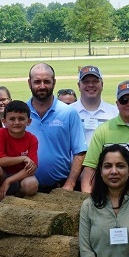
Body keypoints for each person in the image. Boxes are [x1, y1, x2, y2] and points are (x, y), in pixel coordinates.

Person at [25, 63, 86, 191]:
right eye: (37, 82)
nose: (42, 86)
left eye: (47, 81)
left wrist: (70, 184)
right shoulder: (20, 114)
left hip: (60, 187)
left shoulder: (68, 113)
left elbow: (79, 152)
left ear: (54, 82)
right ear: (29, 83)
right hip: (26, 188)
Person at [0, 100, 40, 198]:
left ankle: (18, 197)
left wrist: (9, 181)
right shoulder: (1, 133)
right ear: (4, 121)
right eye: (12, 119)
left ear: (29, 121)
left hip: (20, 176)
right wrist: (22, 158)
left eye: (21, 119)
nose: (17, 122)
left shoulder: (32, 139)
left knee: (32, 184)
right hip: (4, 174)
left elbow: (32, 168)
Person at [70, 65, 117, 144]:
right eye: (86, 82)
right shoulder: (68, 112)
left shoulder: (115, 113)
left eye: (95, 81)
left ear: (102, 84)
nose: (91, 85)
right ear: (78, 85)